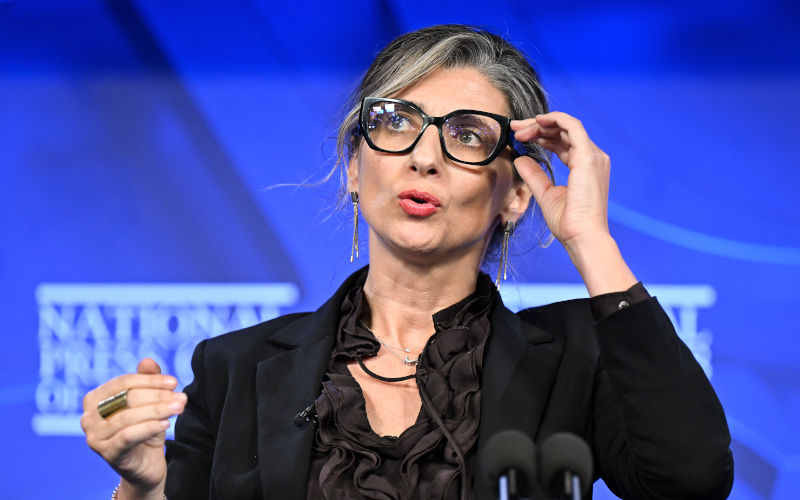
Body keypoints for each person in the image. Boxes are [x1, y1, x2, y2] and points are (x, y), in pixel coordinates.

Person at [82, 25, 734, 499]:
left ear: (514, 195)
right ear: (353, 167)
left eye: (467, 135)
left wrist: (590, 239)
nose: (424, 157)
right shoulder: (236, 367)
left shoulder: (575, 358)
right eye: (396, 122)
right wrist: (143, 483)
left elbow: (691, 477)